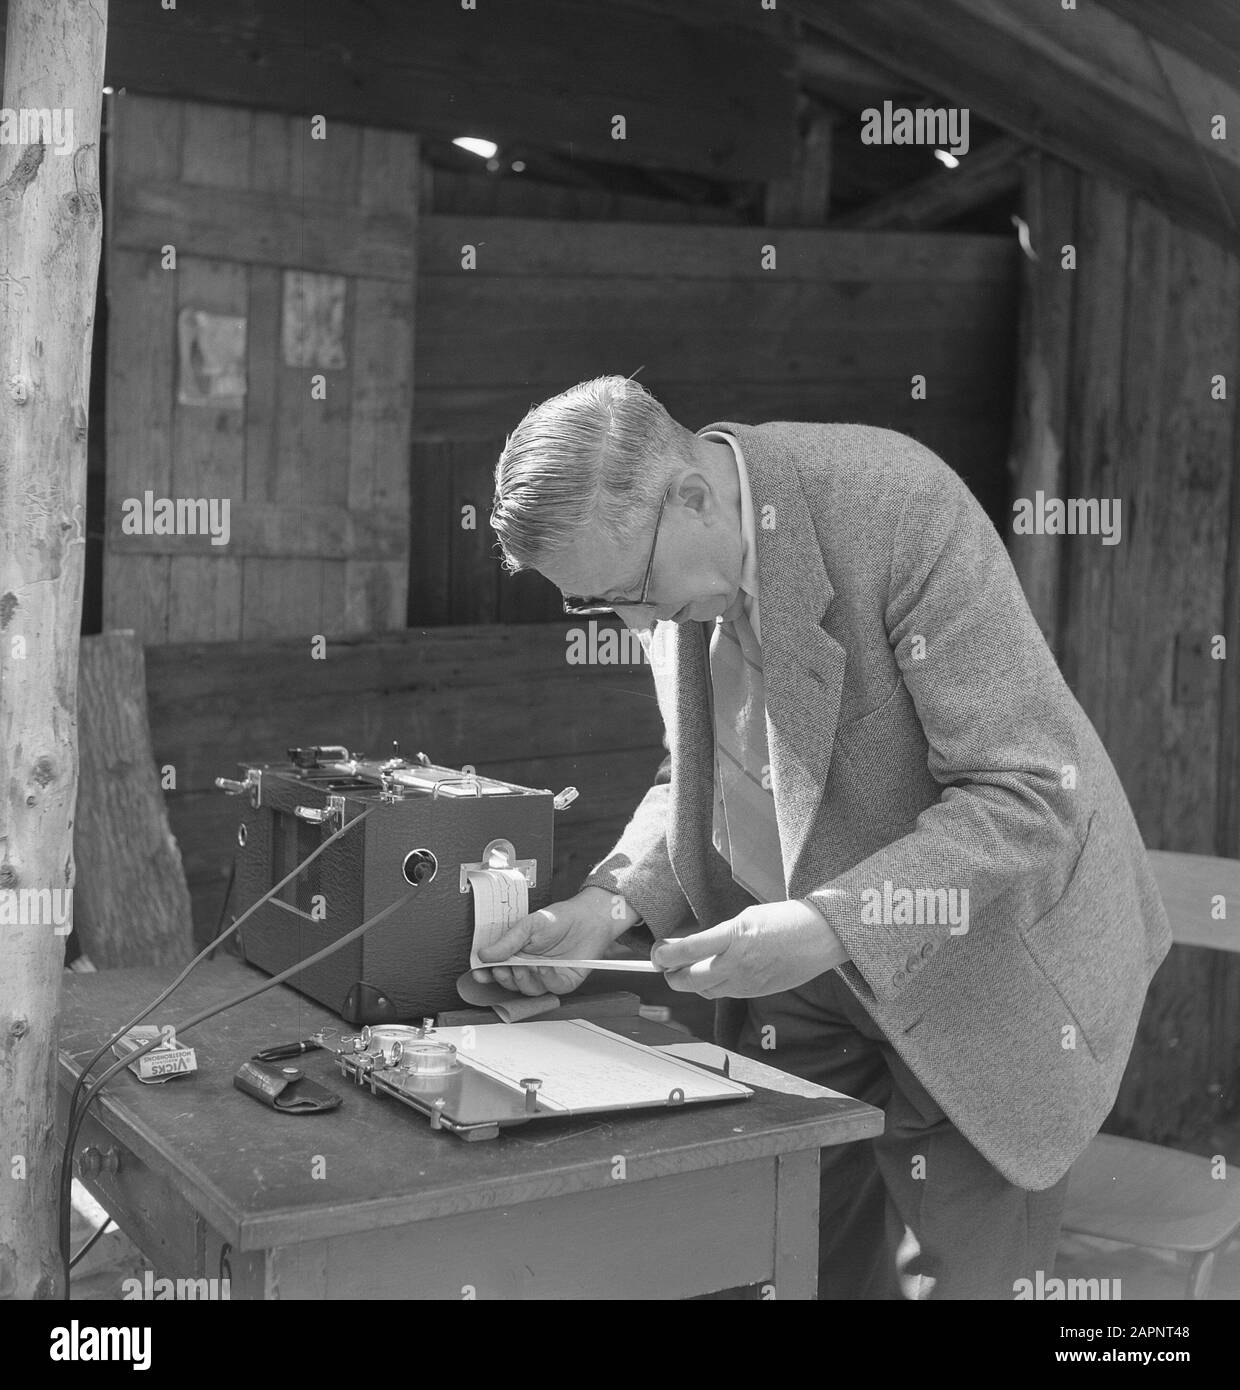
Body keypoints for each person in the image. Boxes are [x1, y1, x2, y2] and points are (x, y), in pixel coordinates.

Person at [482, 375, 1171, 1299]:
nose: (635, 626)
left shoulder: (899, 508)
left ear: (691, 494)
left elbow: (1029, 795)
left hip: (986, 974)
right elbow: (701, 775)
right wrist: (606, 906)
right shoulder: (675, 566)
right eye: (597, 606)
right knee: (792, 1267)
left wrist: (831, 923)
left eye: (635, 592)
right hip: (801, 976)